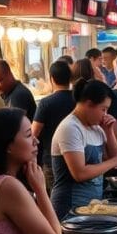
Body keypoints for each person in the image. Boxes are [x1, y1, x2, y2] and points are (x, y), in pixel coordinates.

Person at [50, 79, 117, 219]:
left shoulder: (96, 127)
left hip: (91, 205)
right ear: (88, 104)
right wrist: (114, 162)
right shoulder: (70, 128)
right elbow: (79, 173)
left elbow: (116, 157)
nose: (105, 114)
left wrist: (109, 132)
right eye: (103, 109)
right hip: (70, 206)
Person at [32, 61, 75, 194]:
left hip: (51, 161)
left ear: (51, 79)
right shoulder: (78, 100)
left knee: (54, 199)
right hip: (77, 158)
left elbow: (34, 133)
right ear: (70, 78)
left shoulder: (46, 103)